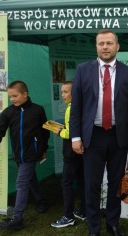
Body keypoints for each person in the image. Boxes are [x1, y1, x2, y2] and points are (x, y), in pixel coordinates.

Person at [70, 29, 128, 236]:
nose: (105, 47)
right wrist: (76, 137)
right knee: (92, 184)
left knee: (116, 183)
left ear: (118, 46)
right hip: (93, 136)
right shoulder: (83, 71)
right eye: (101, 43)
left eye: (109, 43)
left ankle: (112, 222)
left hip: (118, 136)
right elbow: (77, 107)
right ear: (96, 46)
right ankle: (93, 229)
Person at [0, 80, 50, 230]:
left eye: (15, 96)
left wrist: (43, 149)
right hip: (18, 155)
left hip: (31, 154)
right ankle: (41, 200)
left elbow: (45, 131)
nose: (12, 99)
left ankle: (17, 218)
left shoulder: (38, 110)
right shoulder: (8, 112)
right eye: (10, 97)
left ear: (25, 94)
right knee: (30, 179)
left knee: (21, 182)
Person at [51, 81, 85, 228]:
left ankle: (68, 216)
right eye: (62, 92)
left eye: (65, 92)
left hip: (72, 152)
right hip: (81, 151)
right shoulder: (80, 106)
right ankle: (84, 210)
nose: (63, 95)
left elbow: (73, 132)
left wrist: (59, 131)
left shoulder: (72, 108)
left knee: (66, 183)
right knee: (82, 180)